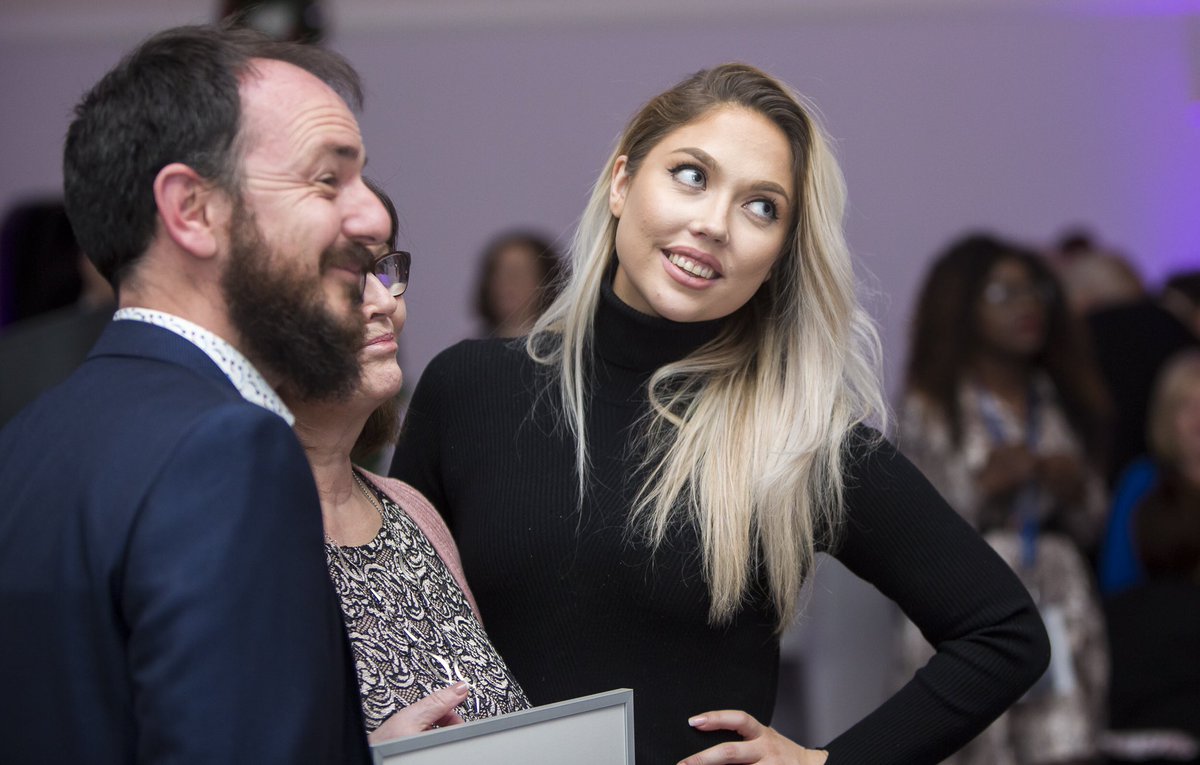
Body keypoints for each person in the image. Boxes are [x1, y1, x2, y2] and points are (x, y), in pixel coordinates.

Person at [392, 63, 1050, 764]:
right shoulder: (469, 389)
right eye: (691, 175)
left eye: (761, 206)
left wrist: (826, 763)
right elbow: (392, 630)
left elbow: (1004, 632)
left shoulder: (796, 439)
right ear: (622, 183)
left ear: (778, 259)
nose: (713, 224)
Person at [0, 24, 391, 764]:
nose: (372, 219)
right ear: (193, 210)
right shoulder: (228, 448)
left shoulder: (28, 438)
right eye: (327, 179)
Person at [284, 182, 530, 742]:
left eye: (384, 269)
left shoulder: (411, 511)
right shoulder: (234, 531)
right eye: (347, 277)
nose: (384, 302)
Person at [898, 234, 1111, 764]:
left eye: (1034, 290)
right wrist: (986, 484)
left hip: (1059, 598)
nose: (1027, 306)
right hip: (969, 601)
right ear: (962, 307)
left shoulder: (1056, 393)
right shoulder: (932, 402)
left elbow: (1096, 523)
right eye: (1003, 294)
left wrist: (1076, 486)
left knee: (1066, 748)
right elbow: (907, 532)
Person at [1101, 350, 1200, 765]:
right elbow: (1118, 583)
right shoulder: (1142, 482)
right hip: (1159, 664)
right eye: (1186, 406)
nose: (1199, 419)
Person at [473, 229, 563, 337]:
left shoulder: (566, 348)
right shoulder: (469, 351)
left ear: (546, 282)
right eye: (499, 273)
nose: (507, 282)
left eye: (518, 273)